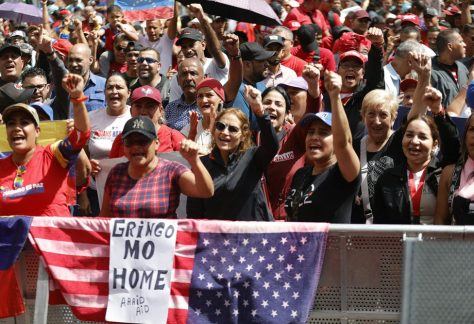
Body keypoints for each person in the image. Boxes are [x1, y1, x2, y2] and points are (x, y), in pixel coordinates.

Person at [0, 74, 90, 216]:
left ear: (37, 131)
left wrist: (77, 97)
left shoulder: (54, 155)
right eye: (11, 124)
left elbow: (80, 135)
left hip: (52, 237)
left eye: (24, 122)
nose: (17, 128)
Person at [186, 86, 279, 221]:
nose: (225, 132)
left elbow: (271, 146)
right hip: (216, 239)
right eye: (220, 126)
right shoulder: (201, 165)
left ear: (243, 135)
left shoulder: (253, 158)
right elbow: (194, 214)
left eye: (233, 129)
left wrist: (260, 112)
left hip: (255, 238)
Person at [100, 116, 214, 218]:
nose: (136, 147)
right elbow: (104, 217)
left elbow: (206, 191)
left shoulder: (172, 171)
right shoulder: (116, 173)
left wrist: (194, 161)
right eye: (129, 142)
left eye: (143, 141)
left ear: (157, 143)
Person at [285, 71, 361, 223]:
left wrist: (335, 96)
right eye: (311, 132)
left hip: (331, 247)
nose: (314, 137)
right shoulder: (301, 174)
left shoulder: (343, 173)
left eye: (323, 133)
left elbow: (344, 143)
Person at [82, 73, 131, 216]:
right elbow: (82, 156)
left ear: (129, 93)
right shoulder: (91, 118)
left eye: (119, 87)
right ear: (104, 93)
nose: (114, 92)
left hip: (128, 191)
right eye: (110, 88)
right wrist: (83, 195)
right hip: (95, 192)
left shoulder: (135, 116)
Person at [109, 85, 184, 158]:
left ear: (161, 110)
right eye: (138, 106)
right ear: (131, 111)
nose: (143, 111)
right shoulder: (121, 138)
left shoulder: (173, 137)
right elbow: (110, 168)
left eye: (150, 106)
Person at [435, 114, 474, 225]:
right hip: (457, 242)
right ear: (465, 136)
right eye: (472, 129)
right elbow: (441, 220)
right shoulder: (449, 173)